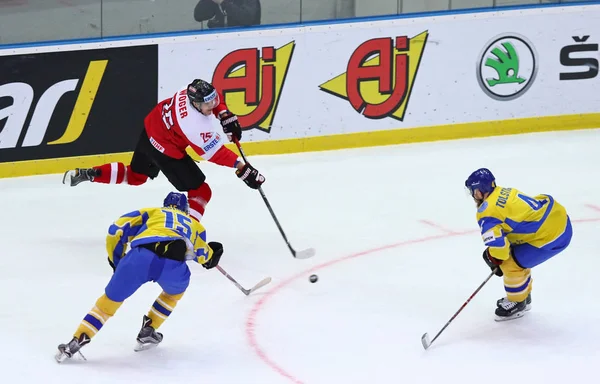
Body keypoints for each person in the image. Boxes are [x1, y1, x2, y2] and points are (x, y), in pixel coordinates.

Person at [62, 79, 265, 222]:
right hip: (166, 150)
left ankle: (89, 174)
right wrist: (241, 167)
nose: (213, 105)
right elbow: (214, 153)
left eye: (213, 101)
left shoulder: (187, 90)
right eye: (208, 104)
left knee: (135, 176)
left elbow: (214, 99)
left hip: (151, 131)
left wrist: (224, 114)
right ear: (195, 104)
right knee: (201, 191)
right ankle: (187, 234)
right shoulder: (193, 125)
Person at [55, 192, 224, 362]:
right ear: (186, 210)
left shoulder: (151, 213)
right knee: (174, 293)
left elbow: (116, 230)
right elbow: (203, 254)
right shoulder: (195, 225)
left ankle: (76, 341)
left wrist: (118, 261)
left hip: (139, 258)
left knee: (107, 304)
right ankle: (149, 330)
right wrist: (211, 257)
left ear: (164, 205)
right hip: (172, 266)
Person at [464, 168, 572, 321]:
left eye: (474, 191)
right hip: (557, 218)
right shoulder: (503, 191)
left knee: (510, 263)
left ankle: (517, 302)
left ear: (480, 191)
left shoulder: (487, 212)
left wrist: (492, 258)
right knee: (517, 255)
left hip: (554, 235)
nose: (474, 196)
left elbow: (500, 251)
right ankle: (524, 295)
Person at [194, 0, 261, 28]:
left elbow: (248, 19)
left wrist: (223, 3)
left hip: (244, 40)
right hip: (218, 40)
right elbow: (199, 16)